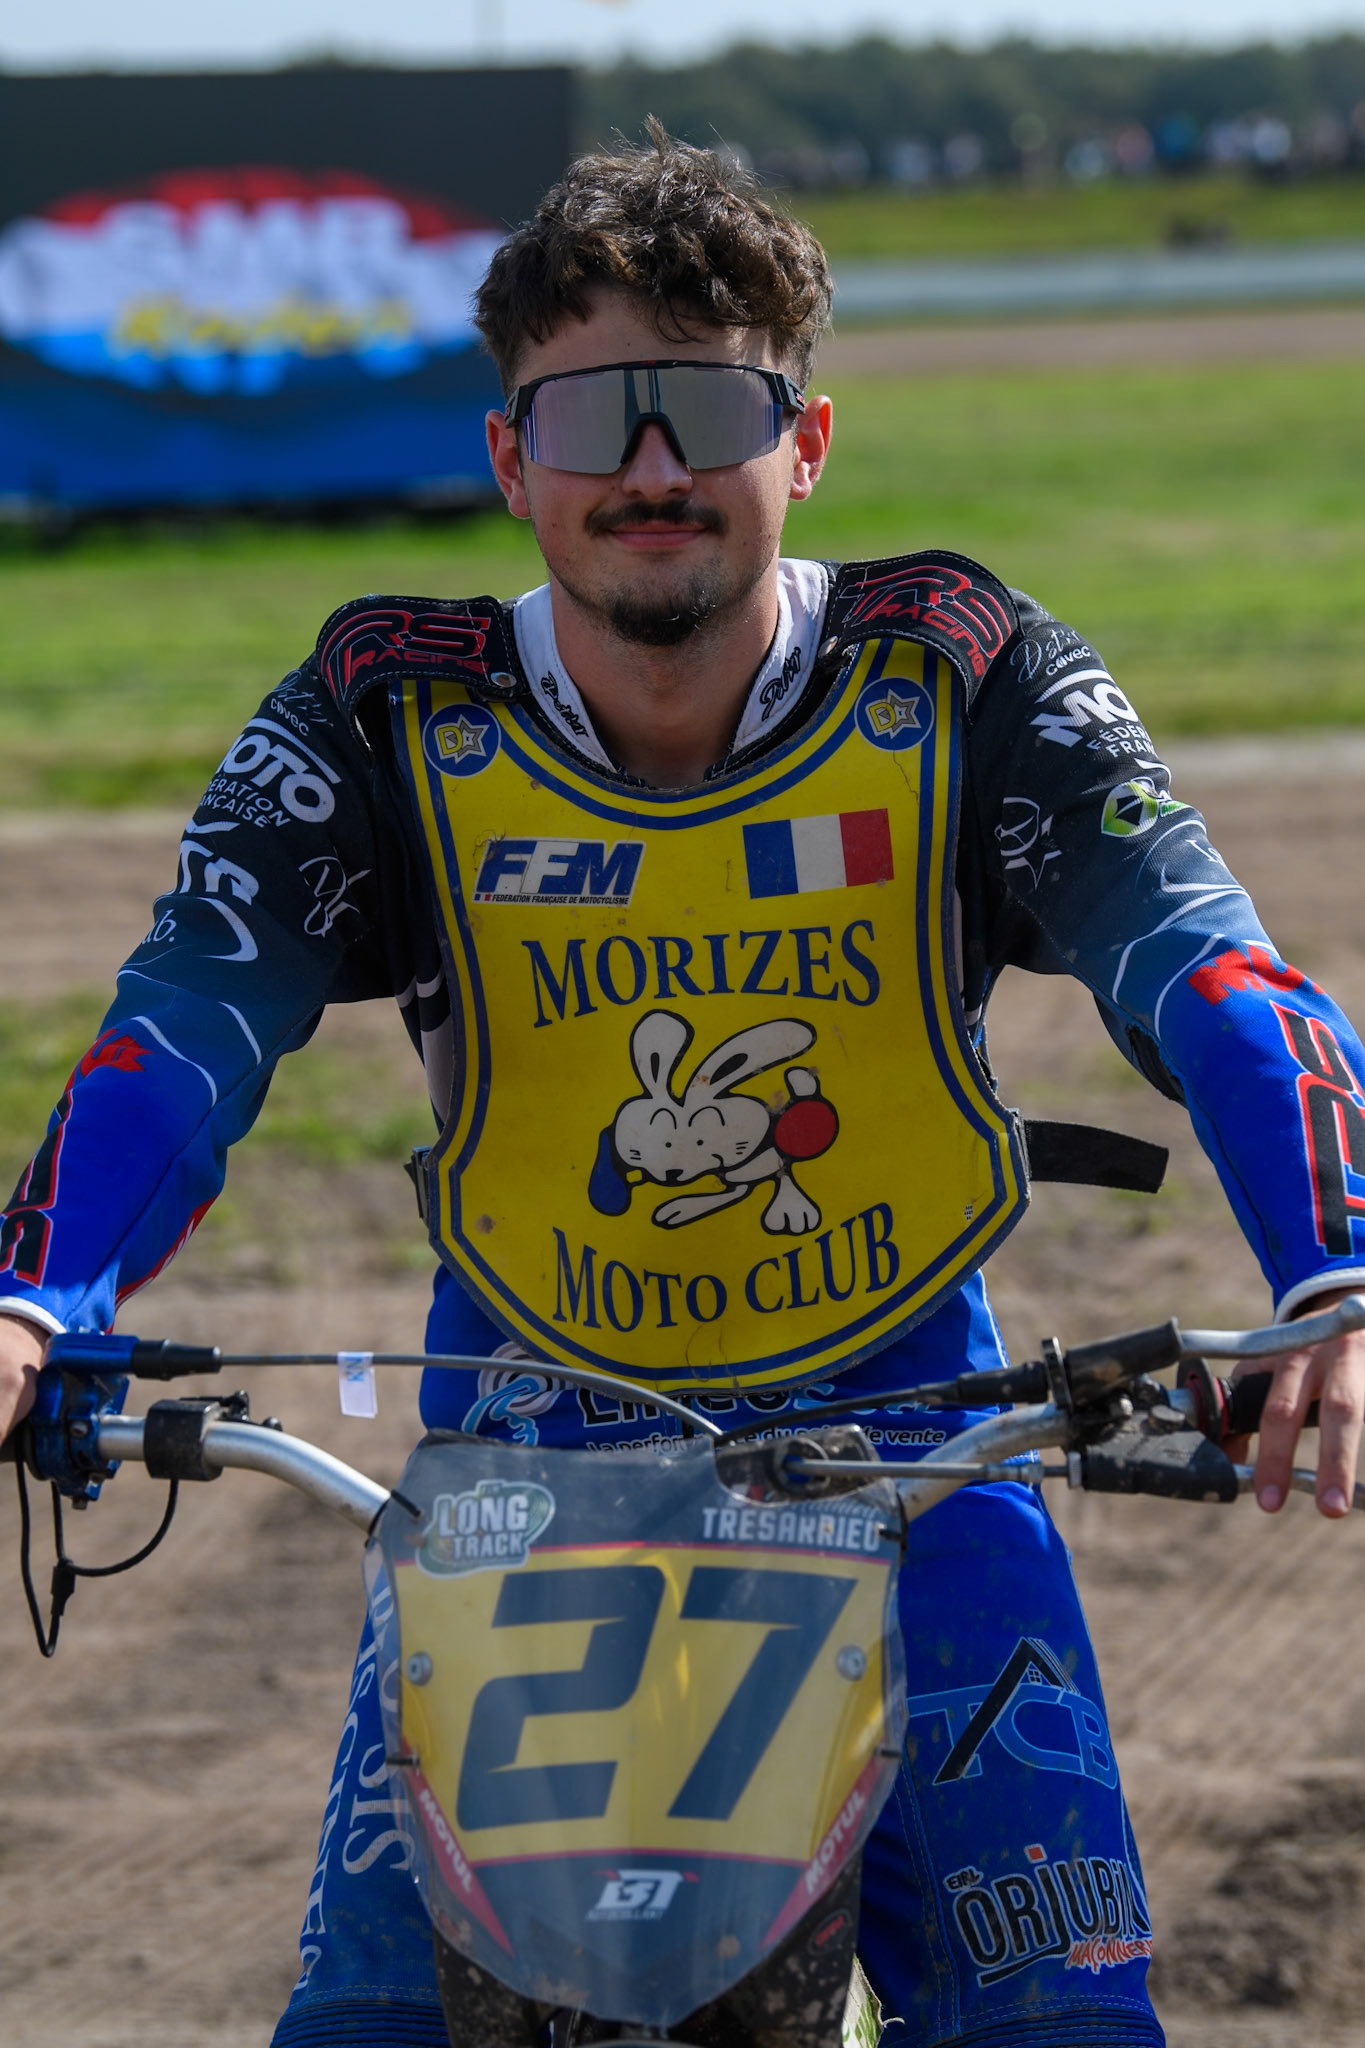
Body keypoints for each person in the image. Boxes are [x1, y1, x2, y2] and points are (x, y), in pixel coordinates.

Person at [2, 127, 1364, 2048]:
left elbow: (1209, 973)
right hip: (519, 1485)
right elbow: (190, 1027)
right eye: (591, 415)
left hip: (920, 1441)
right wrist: (30, 1296)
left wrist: (1340, 1272)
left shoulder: (965, 674)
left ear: (802, 444)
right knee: (375, 2029)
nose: (650, 468)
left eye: (706, 404)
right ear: (507, 460)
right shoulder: (381, 713)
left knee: (1056, 2025)